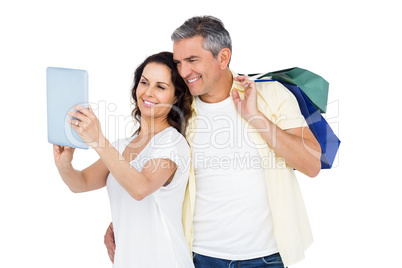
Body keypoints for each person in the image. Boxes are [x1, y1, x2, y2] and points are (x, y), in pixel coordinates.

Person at [105, 16, 322, 267]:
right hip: (198, 256)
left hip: (266, 257)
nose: (184, 72)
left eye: (192, 60)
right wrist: (121, 221)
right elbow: (151, 171)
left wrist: (255, 116)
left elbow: (312, 164)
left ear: (223, 57)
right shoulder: (179, 110)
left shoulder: (271, 95)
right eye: (178, 62)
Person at [53, 52, 195, 267]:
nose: (148, 92)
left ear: (176, 97)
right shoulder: (121, 146)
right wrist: (64, 164)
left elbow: (140, 188)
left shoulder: (172, 143)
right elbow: (80, 183)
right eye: (144, 82)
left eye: (161, 87)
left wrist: (99, 140)